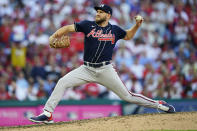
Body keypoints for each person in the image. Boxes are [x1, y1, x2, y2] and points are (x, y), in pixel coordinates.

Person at [29, 4, 175, 124]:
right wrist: (54, 36)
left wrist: (137, 25)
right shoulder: (88, 25)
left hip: (105, 69)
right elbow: (68, 28)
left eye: (101, 12)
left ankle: (159, 104)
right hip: (86, 68)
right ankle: (48, 114)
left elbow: (129, 35)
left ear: (108, 15)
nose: (98, 13)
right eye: (97, 11)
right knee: (62, 82)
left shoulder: (115, 30)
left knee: (127, 96)